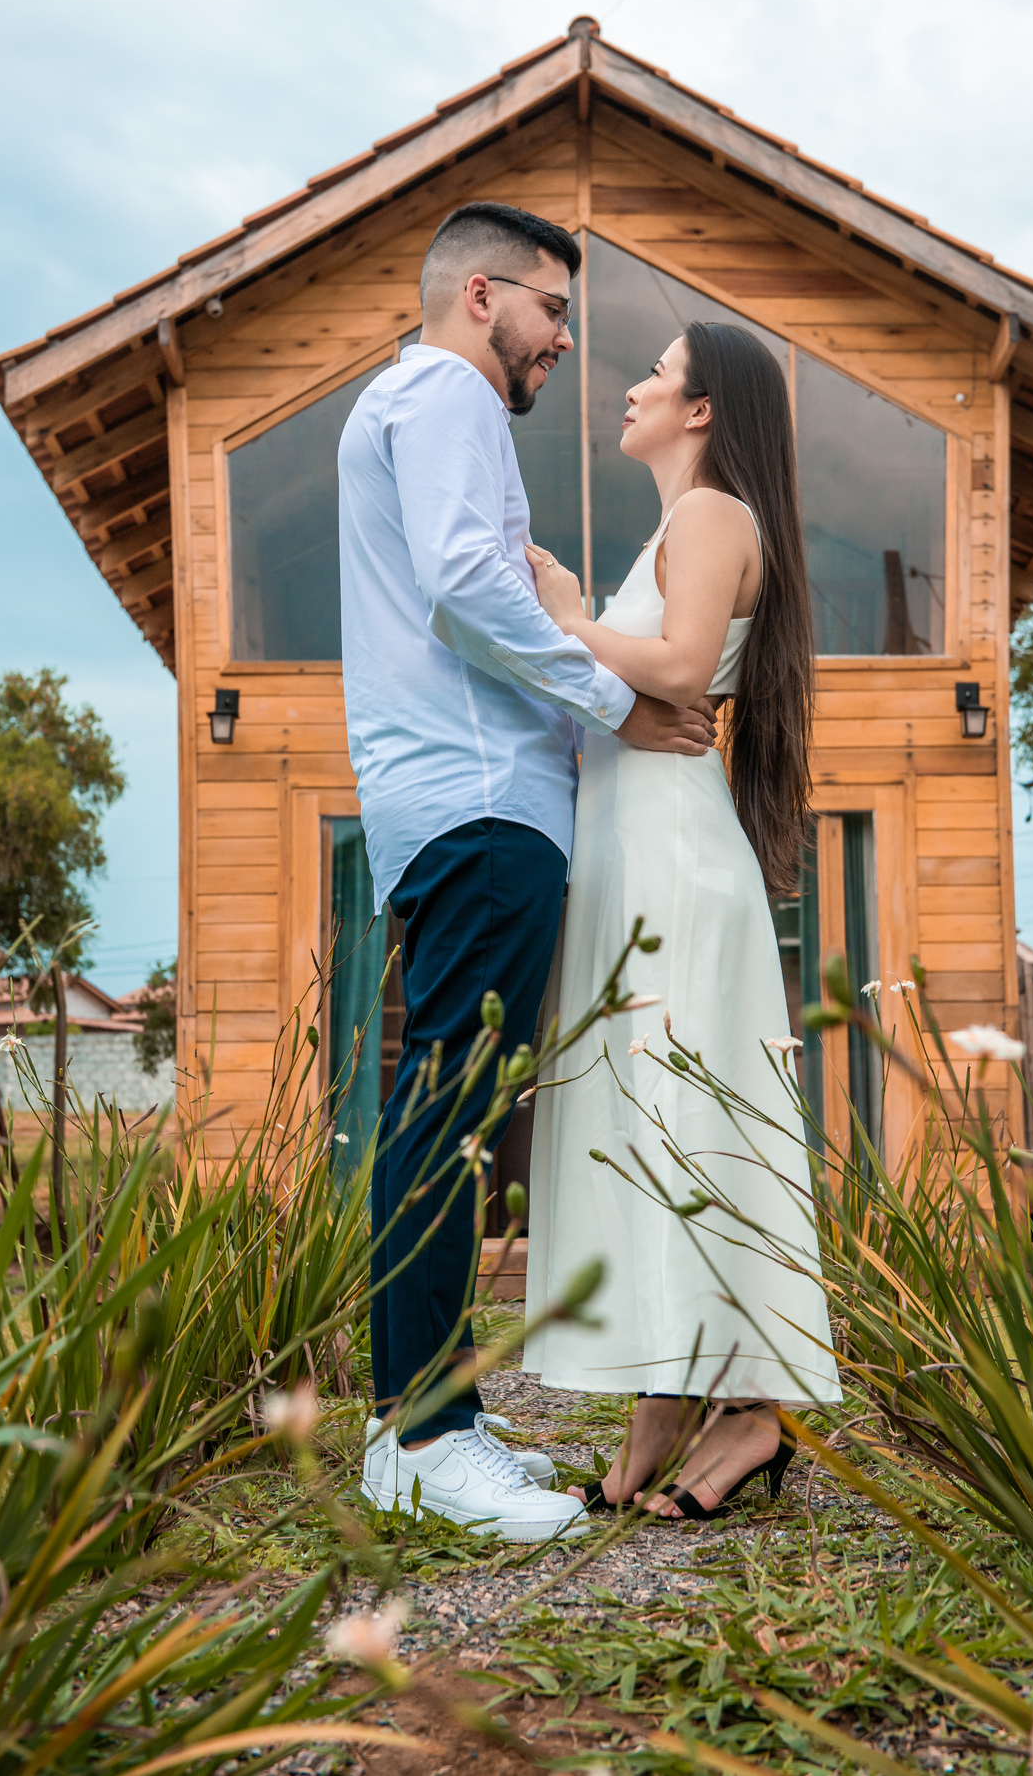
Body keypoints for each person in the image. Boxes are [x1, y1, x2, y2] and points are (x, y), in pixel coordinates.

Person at [338, 201, 719, 1541]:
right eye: (555, 308)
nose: (566, 340)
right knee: (443, 1108)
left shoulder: (415, 406)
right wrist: (615, 707)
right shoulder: (442, 392)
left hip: (463, 798)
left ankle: (428, 1409)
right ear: (483, 294)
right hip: (481, 799)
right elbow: (461, 582)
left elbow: (469, 585)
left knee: (443, 1100)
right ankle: (422, 1442)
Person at [522, 320, 843, 1520]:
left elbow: (682, 658)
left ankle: (751, 1406)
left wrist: (560, 613)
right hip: (633, 851)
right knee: (646, 1109)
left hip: (669, 857)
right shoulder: (682, 523)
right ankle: (670, 1384)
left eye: (654, 372)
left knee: (688, 1110)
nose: (632, 386)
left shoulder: (712, 518)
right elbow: (647, 678)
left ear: (702, 409)